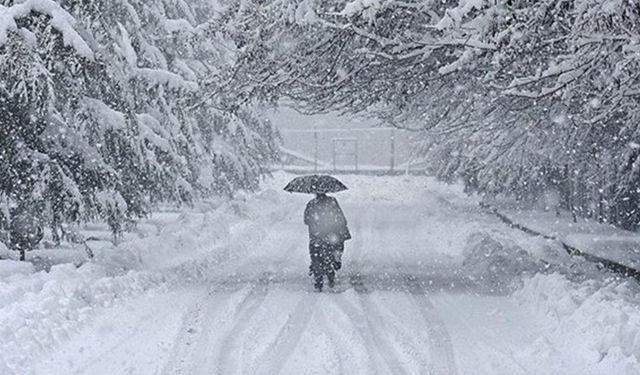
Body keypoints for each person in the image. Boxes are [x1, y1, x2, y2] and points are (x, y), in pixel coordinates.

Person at [304, 193, 351, 291]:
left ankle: (318, 279)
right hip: (331, 234)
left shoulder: (311, 204)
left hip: (317, 236)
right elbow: (340, 217)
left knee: (315, 255)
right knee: (332, 252)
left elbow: (306, 220)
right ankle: (331, 271)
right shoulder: (332, 202)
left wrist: (315, 224)